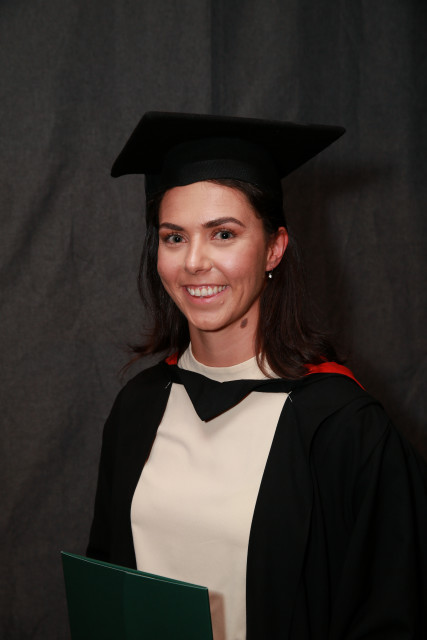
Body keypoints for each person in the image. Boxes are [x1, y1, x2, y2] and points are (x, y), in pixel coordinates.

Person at [87, 112, 427, 639]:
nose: (194, 262)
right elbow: (108, 584)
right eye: (174, 237)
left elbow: (392, 611)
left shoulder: (343, 427)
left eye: (223, 233)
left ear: (274, 247)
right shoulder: (139, 407)